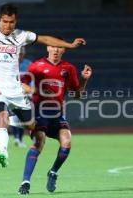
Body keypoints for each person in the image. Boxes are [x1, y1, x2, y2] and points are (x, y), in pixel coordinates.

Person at [0, 3, 86, 168]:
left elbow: (45, 39)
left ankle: (47, 134)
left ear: (15, 21)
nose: (8, 26)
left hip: (16, 90)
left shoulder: (21, 35)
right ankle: (3, 152)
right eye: (5, 21)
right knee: (1, 118)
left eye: (12, 22)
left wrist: (70, 45)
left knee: (33, 128)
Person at [18, 40, 92, 195]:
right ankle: (25, 182)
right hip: (39, 113)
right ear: (48, 47)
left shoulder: (68, 68)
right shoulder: (36, 66)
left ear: (64, 50)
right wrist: (32, 89)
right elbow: (21, 84)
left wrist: (84, 79)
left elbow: (77, 95)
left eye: (60, 47)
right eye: (53, 47)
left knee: (67, 142)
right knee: (39, 142)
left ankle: (53, 172)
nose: (56, 50)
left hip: (57, 114)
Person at [9, 46, 33, 148]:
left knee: (23, 117)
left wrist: (31, 92)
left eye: (22, 51)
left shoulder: (29, 64)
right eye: (19, 51)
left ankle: (19, 139)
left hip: (25, 94)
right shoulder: (10, 64)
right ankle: (16, 138)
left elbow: (33, 79)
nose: (21, 53)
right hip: (13, 94)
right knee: (15, 116)